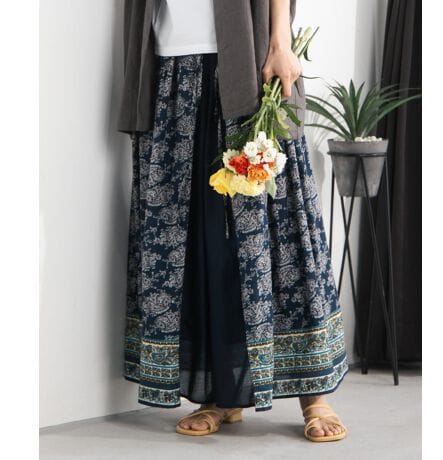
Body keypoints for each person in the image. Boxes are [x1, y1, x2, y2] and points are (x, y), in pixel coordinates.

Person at [118, 0, 348, 442]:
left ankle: (314, 393)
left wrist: (280, 43)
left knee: (281, 228)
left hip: (248, 58)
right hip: (169, 69)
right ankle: (221, 392)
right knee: (200, 241)